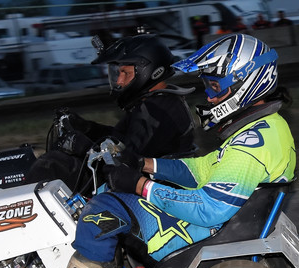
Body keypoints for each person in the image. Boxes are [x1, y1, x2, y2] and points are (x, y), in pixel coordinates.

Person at [0, 34, 295, 268]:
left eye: (215, 87)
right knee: (112, 196)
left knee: (101, 211)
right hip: (228, 219)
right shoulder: (266, 128)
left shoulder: (250, 144)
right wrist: (145, 164)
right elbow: (202, 169)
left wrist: (140, 185)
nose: (209, 97)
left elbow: (207, 210)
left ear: (246, 83)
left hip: (205, 227)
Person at [26, 30, 198, 185]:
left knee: (51, 164)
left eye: (125, 73)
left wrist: (83, 147)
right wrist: (87, 128)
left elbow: (125, 160)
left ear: (148, 70)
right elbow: (120, 140)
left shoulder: (155, 111)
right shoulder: (160, 102)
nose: (119, 81)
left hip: (141, 187)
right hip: (137, 181)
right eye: (118, 73)